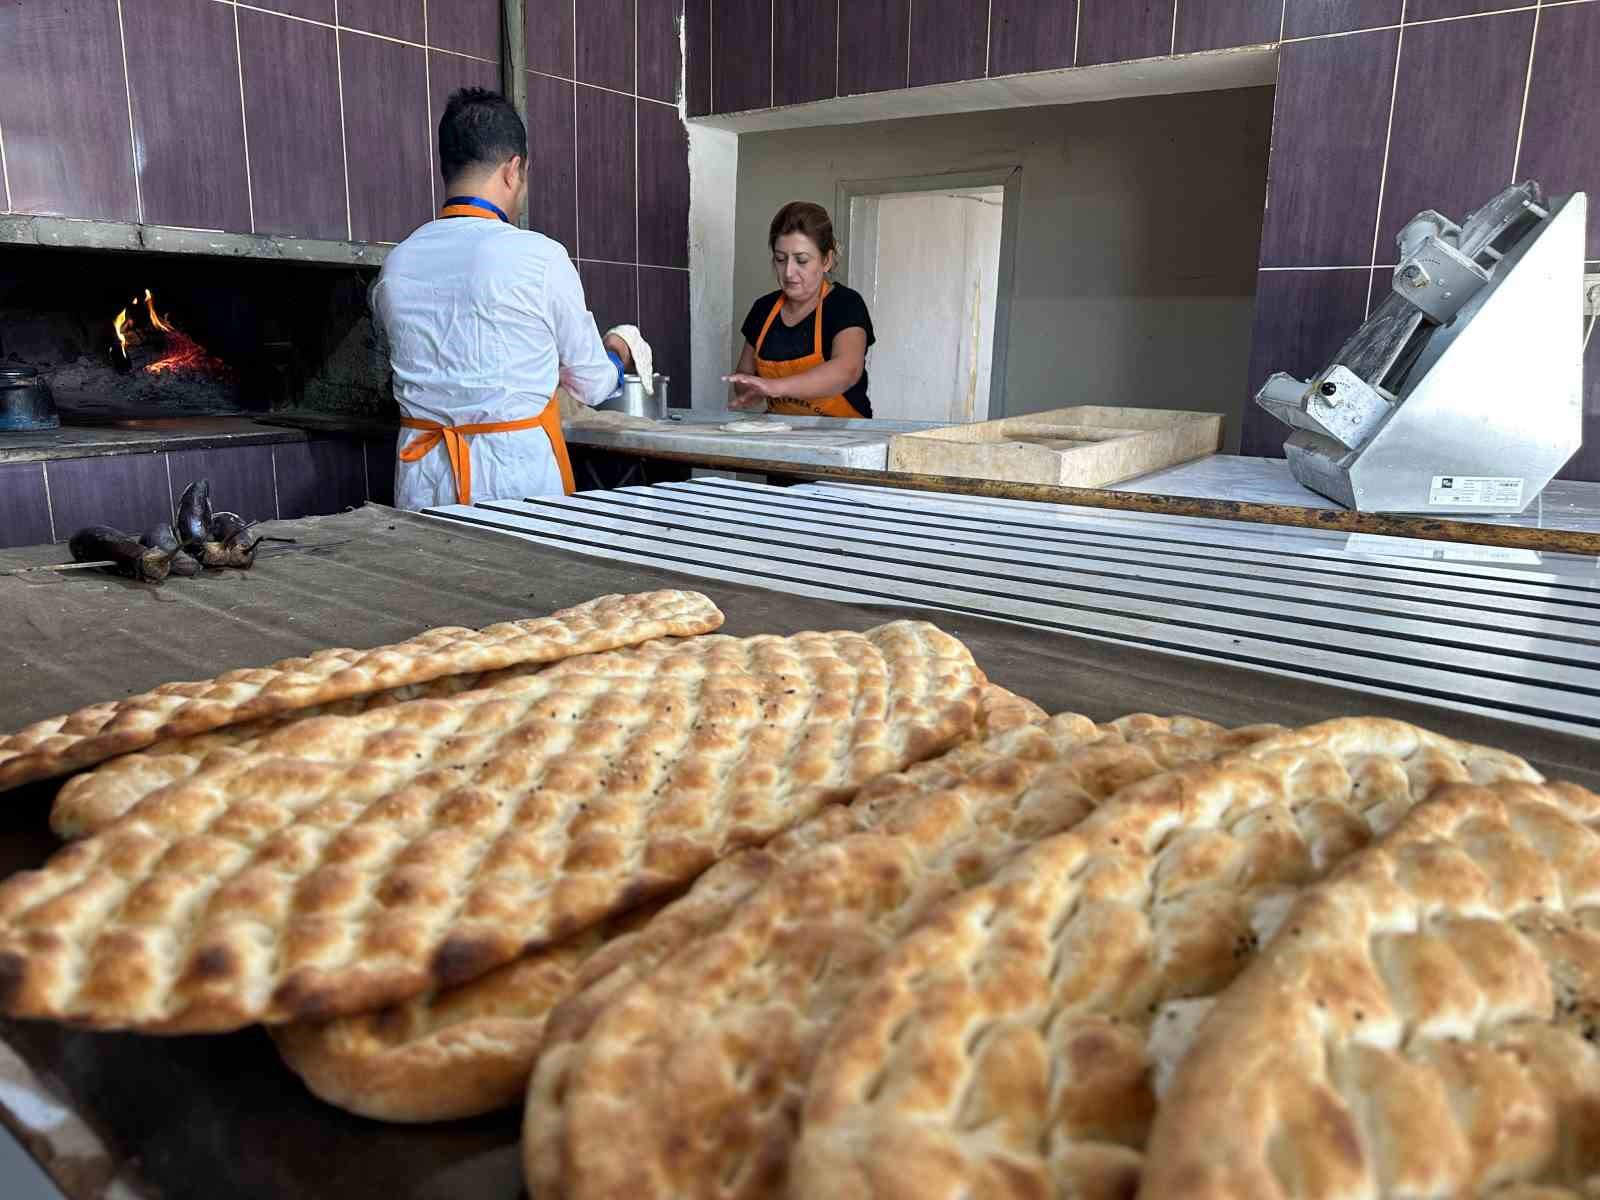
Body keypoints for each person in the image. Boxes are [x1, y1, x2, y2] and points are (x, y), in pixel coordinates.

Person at [372, 87, 637, 510]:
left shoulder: (397, 265)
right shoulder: (539, 257)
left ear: (446, 168)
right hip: (514, 481)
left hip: (422, 482)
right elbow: (592, 383)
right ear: (514, 170)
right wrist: (619, 351)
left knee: (426, 578)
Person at [724, 201, 875, 419]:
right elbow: (745, 374)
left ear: (827, 260)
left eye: (801, 260)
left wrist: (776, 387)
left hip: (844, 437)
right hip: (783, 435)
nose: (788, 272)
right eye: (780, 259)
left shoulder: (845, 304)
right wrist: (751, 390)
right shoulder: (763, 309)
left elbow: (846, 371)